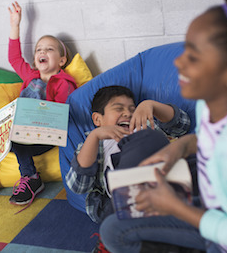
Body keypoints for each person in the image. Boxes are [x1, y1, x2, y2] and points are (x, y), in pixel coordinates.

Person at [100, 0, 227, 252]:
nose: (178, 62)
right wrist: (180, 147)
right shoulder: (213, 99)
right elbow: (210, 140)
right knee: (113, 226)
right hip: (214, 203)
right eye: (185, 51)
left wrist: (176, 208)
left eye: (194, 57)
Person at [0, 1, 77, 208]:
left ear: (62, 60)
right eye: (38, 49)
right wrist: (15, 25)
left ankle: (30, 177)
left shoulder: (64, 83)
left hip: (42, 137)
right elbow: (14, 57)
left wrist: (33, 116)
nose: (41, 52)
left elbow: (62, 115)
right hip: (15, 133)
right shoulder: (31, 75)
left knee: (17, 124)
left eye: (49, 49)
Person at [66, 85, 191, 224]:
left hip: (167, 173)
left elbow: (182, 126)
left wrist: (150, 105)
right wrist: (94, 136)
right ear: (97, 120)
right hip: (127, 191)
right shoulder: (94, 144)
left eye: (133, 109)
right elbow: (78, 185)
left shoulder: (145, 125)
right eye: (118, 108)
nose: (128, 113)